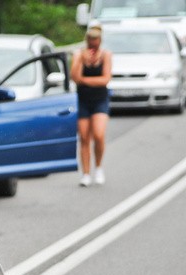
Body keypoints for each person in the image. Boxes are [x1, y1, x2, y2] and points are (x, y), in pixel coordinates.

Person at [71, 24, 112, 187]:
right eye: (90, 38)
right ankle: (86, 173)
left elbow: (105, 79)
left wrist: (86, 81)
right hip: (83, 99)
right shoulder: (80, 54)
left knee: (99, 134)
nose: (92, 42)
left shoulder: (106, 55)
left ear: (100, 40)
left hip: (100, 99)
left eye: (95, 39)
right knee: (84, 137)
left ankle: (99, 167)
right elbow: (75, 77)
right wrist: (80, 59)